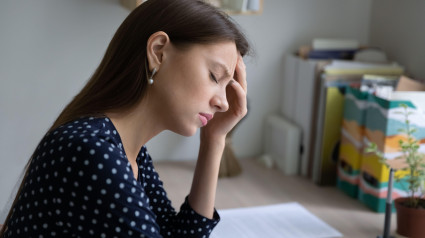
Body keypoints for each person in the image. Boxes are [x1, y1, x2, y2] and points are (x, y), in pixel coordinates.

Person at [0, 0, 250, 237]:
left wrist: (214, 140)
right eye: (215, 77)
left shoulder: (129, 151)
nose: (223, 102)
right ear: (159, 52)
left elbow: (177, 234)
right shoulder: (92, 152)